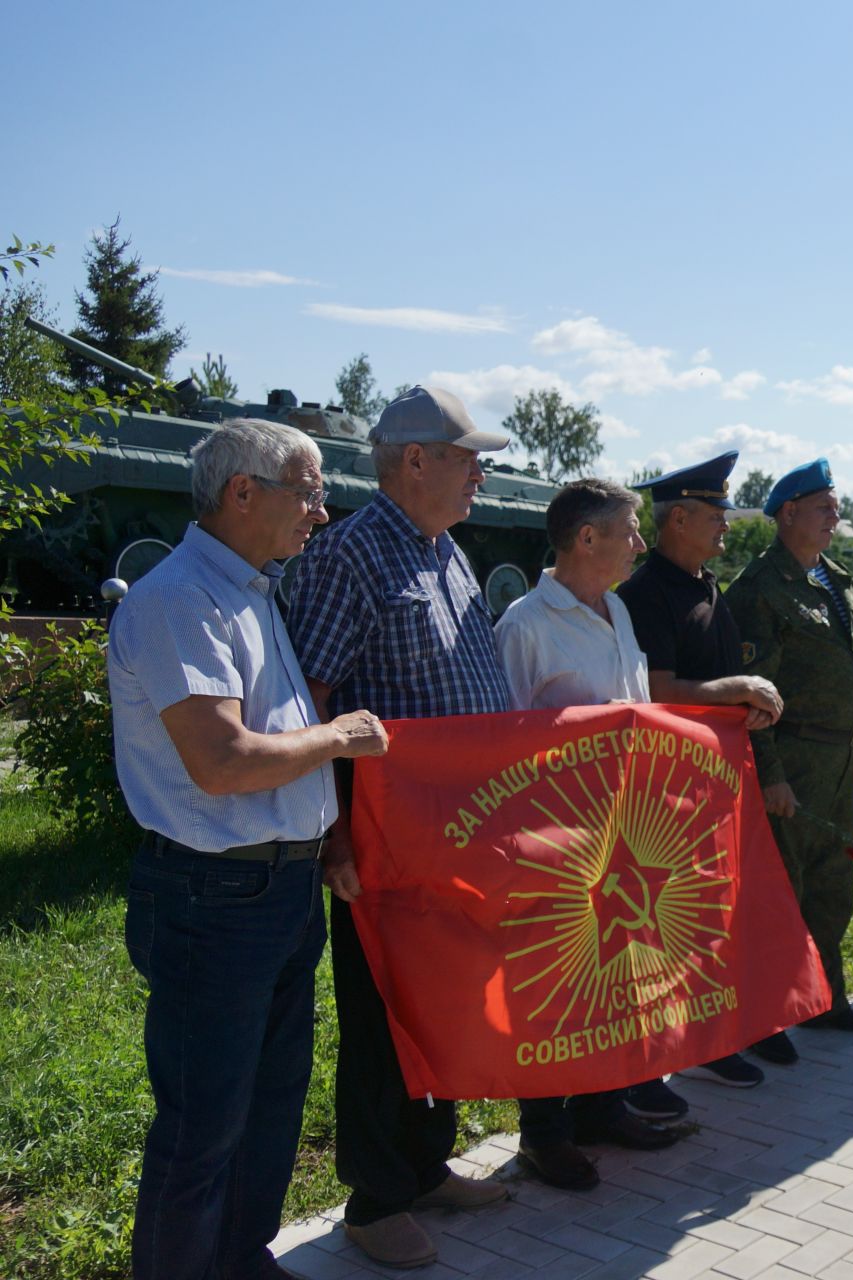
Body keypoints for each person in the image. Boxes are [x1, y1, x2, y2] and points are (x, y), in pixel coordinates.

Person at [108, 419, 389, 1280]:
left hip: (273, 895)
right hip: (210, 902)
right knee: (203, 1130)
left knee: (268, 1113)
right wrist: (339, 736)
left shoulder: (249, 593)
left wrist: (323, 838)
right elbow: (224, 762)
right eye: (307, 490)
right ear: (243, 493)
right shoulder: (179, 601)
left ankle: (239, 1260)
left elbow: (267, 744)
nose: (321, 509)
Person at [287, 385, 521, 1269]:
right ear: (413, 461)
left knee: (444, 1000)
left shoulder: (447, 550)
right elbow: (311, 697)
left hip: (461, 838)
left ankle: (427, 1164)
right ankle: (375, 1199)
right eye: (468, 458)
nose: (480, 474)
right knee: (384, 1014)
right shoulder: (350, 555)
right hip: (386, 841)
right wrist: (332, 835)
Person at [493, 477, 680, 1191]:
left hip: (626, 833)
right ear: (586, 539)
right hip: (556, 838)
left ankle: (603, 1106)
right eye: (629, 531)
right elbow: (502, 740)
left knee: (614, 976)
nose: (640, 544)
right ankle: (543, 1133)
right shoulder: (525, 624)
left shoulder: (619, 612)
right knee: (553, 988)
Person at [616, 452, 788, 1077]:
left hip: (714, 779)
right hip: (664, 789)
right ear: (678, 518)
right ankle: (681, 1048)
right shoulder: (644, 594)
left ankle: (721, 1031)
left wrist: (745, 706)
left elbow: (713, 683)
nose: (726, 525)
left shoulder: (707, 586)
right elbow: (658, 688)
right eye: (716, 514)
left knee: (716, 910)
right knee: (671, 921)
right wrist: (737, 687)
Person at [726, 458, 853, 1032]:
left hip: (842, 760)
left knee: (832, 885)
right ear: (787, 513)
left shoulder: (835, 579)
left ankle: (824, 999)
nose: (835, 517)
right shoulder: (759, 590)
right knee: (784, 887)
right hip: (794, 759)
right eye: (825, 507)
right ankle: (773, 1013)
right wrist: (770, 773)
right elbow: (752, 701)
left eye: (836, 507)